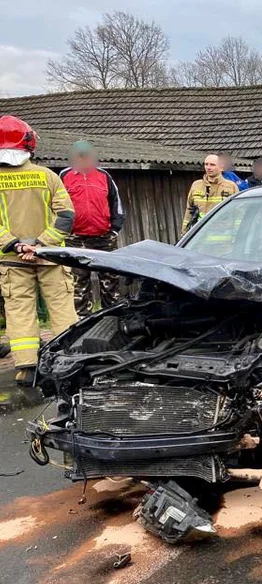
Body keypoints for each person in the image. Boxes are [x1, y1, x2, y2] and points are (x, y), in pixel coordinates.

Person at [0, 116, 79, 386]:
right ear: (29, 143)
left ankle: (26, 367)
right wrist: (41, 244)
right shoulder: (48, 176)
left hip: (12, 259)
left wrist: (17, 245)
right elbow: (67, 216)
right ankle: (67, 359)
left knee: (19, 309)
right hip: (52, 258)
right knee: (61, 306)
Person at [60, 140, 125, 317]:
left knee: (110, 279)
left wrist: (114, 229)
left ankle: (112, 316)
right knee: (79, 280)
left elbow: (116, 204)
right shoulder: (64, 176)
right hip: (76, 238)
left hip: (104, 237)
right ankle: (82, 319)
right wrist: (63, 231)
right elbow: (55, 206)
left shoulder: (104, 176)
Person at [181, 154, 239, 234]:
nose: (208, 167)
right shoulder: (196, 185)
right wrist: (184, 234)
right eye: (206, 164)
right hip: (200, 236)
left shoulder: (231, 187)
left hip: (223, 239)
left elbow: (238, 213)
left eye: (212, 165)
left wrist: (237, 235)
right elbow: (188, 212)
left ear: (221, 167)